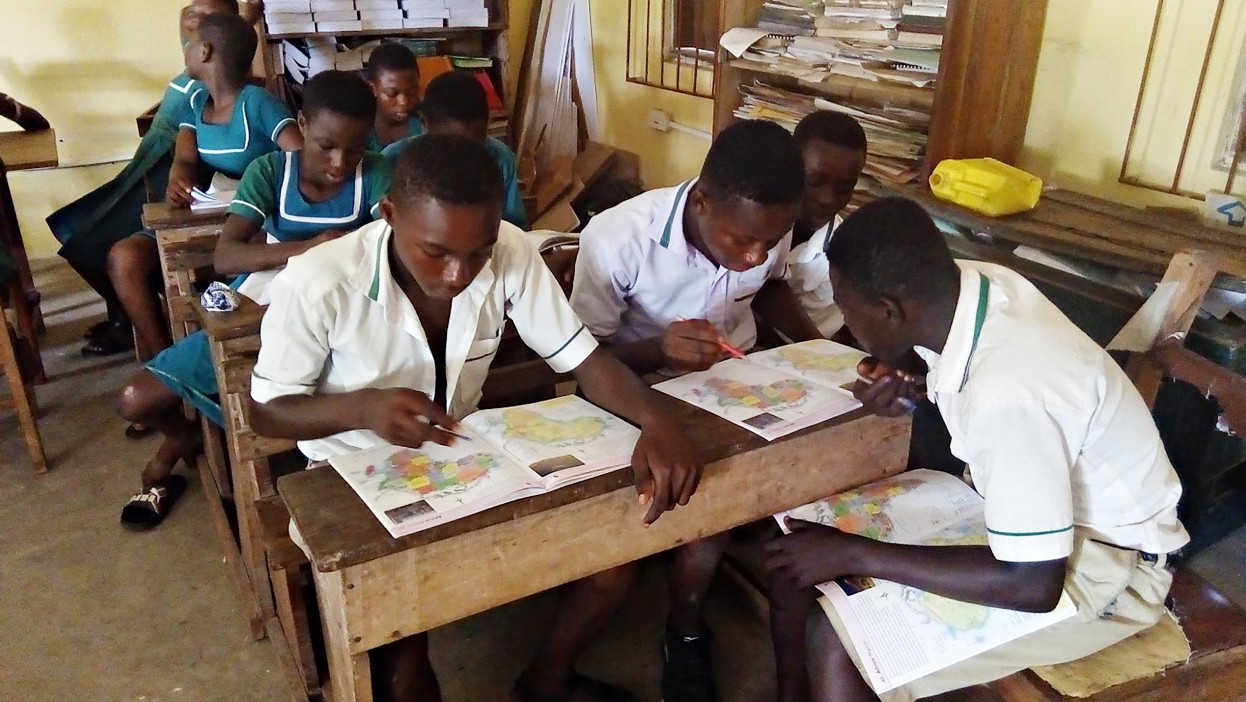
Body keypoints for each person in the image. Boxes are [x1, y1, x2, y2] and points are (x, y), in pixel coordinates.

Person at [248, 134, 702, 702]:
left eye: (478, 252)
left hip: (464, 455)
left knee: (613, 565)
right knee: (401, 648)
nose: (460, 274)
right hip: (351, 477)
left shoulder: (508, 248)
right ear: (388, 215)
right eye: (435, 252)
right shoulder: (318, 283)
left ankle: (545, 680)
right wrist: (360, 407)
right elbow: (265, 411)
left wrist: (658, 421)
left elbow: (585, 359)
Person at [764, 196, 1190, 702]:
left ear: (890, 311)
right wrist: (917, 382)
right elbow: (961, 373)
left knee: (839, 638)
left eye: (846, 307)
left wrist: (854, 552)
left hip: (1107, 571)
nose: (844, 321)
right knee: (794, 565)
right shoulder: (969, 287)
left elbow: (1033, 584)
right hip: (1029, 518)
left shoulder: (1009, 393)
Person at [569, 119, 820, 702]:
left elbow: (772, 283)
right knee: (706, 491)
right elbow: (579, 361)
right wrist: (656, 348)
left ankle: (688, 616)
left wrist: (815, 348)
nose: (755, 254)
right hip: (635, 391)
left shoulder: (763, 222)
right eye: (741, 242)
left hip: (737, 384)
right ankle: (685, 625)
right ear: (702, 199)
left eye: (770, 240)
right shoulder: (618, 238)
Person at [115, 70, 384, 531]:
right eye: (325, 146)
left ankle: (286, 455)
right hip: (262, 299)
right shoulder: (272, 171)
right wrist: (309, 247)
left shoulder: (376, 173)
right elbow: (226, 255)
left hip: (342, 312)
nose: (341, 162)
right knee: (136, 399)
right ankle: (183, 439)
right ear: (301, 124)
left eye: (354, 148)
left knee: (307, 394)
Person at [46, 0, 242, 358]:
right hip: (147, 167)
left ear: (215, 43)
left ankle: (131, 317)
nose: (192, 19)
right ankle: (126, 314)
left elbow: (190, 154)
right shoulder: (194, 71)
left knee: (84, 238)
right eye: (189, 12)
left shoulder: (213, 88)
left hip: (159, 175)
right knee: (72, 228)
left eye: (205, 18)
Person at [107, 11, 302, 360]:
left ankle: (205, 360)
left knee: (227, 270)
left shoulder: (258, 103)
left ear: (206, 52)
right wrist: (177, 181)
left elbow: (300, 159)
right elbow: (184, 160)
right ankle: (163, 363)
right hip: (202, 218)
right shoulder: (196, 103)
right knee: (125, 258)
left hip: (252, 226)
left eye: (191, 42)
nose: (186, 48)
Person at [382, 70, 528, 228]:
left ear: (488, 127)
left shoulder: (500, 158)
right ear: (424, 124)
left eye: (473, 149)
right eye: (447, 147)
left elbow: (516, 227)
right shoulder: (393, 160)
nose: (460, 159)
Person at [781, 111, 867, 340]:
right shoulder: (747, 220)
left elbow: (809, 339)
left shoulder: (843, 257)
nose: (828, 199)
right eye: (814, 182)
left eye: (844, 188)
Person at [365, 41, 423, 151]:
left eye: (412, 92)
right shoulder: (361, 130)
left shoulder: (425, 124)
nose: (403, 101)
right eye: (392, 94)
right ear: (373, 88)